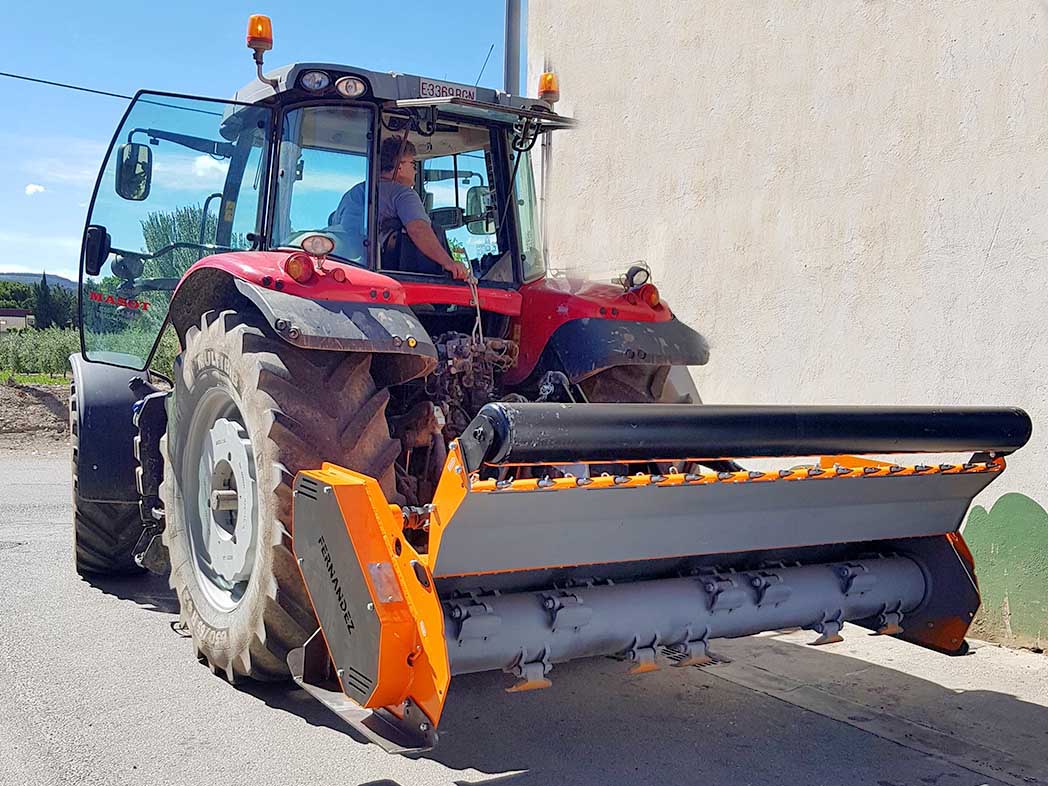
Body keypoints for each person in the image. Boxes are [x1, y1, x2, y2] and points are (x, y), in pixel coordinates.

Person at [329, 137, 469, 281]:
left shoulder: (353, 193)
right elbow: (418, 229)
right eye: (413, 164)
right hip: (387, 278)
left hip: (347, 271)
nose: (415, 171)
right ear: (399, 165)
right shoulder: (402, 193)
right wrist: (449, 263)